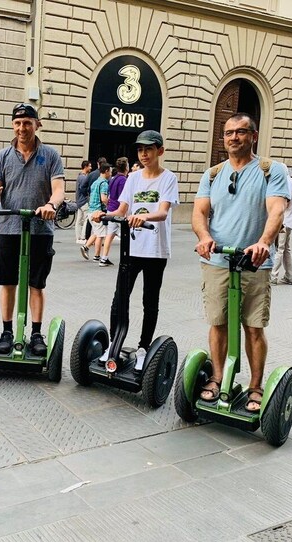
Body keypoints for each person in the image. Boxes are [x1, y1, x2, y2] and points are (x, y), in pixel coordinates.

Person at [192, 113, 290, 413]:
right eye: (228, 133)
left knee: (253, 327)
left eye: (241, 132)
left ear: (253, 136)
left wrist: (263, 241)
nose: (234, 137)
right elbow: (199, 213)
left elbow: (276, 210)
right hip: (218, 260)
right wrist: (204, 236)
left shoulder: (270, 170)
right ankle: (220, 378)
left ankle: (256, 385)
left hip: (254, 263)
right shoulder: (212, 174)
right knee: (218, 323)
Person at [91, 131, 179, 370]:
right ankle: (113, 344)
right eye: (140, 150)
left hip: (156, 249)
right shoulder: (133, 178)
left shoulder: (168, 178)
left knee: (149, 301)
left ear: (160, 151)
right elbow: (122, 210)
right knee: (120, 297)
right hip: (132, 249)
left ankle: (143, 347)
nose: (144, 154)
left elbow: (162, 212)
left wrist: (142, 217)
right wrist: (104, 214)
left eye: (149, 149)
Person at [0, 102, 65, 355]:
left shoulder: (50, 155)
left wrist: (51, 204)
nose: (22, 128)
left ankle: (37, 333)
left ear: (36, 125)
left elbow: (59, 189)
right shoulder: (2, 156)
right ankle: (7, 331)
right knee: (7, 282)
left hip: (41, 229)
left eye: (27, 123)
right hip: (9, 228)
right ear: (13, 125)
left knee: (36, 284)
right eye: (18, 123)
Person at [98, 156, 129, 267]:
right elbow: (123, 197)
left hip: (111, 208)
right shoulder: (123, 180)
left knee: (109, 235)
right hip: (118, 210)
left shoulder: (113, 178)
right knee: (127, 235)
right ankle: (129, 258)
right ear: (126, 167)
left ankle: (103, 258)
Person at [271, 167, 292, 284]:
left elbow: (285, 203)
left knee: (279, 248)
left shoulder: (286, 183)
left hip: (284, 221)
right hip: (289, 221)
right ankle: (290, 276)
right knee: (286, 249)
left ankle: (273, 276)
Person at [80, 163, 111, 262]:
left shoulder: (95, 182)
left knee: (97, 232)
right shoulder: (104, 183)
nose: (110, 173)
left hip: (91, 210)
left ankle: (86, 247)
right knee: (100, 235)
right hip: (98, 211)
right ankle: (97, 255)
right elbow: (103, 199)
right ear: (106, 171)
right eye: (110, 171)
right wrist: (109, 204)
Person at [75, 160, 92, 244]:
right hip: (83, 201)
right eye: (89, 166)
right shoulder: (83, 177)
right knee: (86, 219)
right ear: (86, 167)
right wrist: (87, 196)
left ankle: (78, 237)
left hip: (79, 201)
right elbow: (83, 189)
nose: (91, 168)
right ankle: (82, 237)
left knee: (79, 220)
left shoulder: (79, 176)